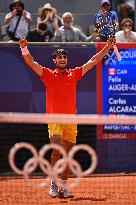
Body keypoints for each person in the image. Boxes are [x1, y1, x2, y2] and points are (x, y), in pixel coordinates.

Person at [19, 36, 116, 198]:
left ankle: (64, 187)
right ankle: (53, 183)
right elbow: (31, 63)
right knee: (56, 150)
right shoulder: (47, 74)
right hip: (54, 119)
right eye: (59, 57)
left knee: (66, 155)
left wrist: (107, 46)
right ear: (55, 60)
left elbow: (93, 61)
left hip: (71, 120)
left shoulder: (75, 74)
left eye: (64, 57)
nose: (62, 59)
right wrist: (23, 48)